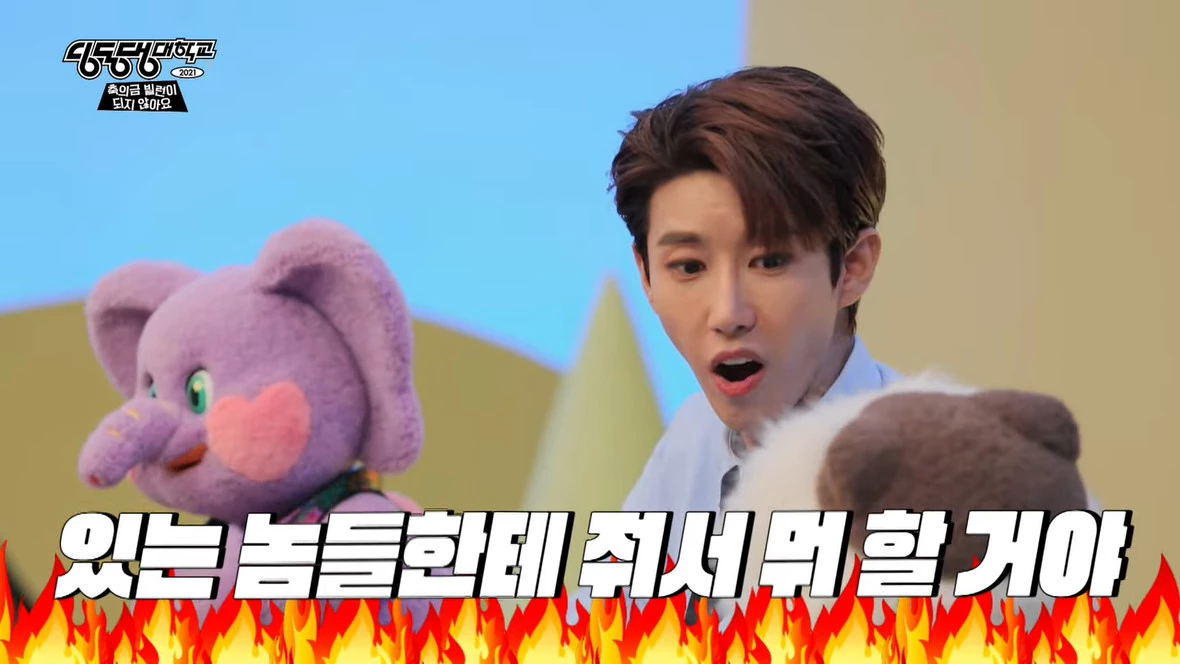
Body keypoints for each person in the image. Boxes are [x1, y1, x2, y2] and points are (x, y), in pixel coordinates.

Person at [568, 64, 900, 621]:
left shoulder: (942, 485)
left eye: (769, 262)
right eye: (688, 266)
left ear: (853, 267)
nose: (727, 314)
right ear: (645, 274)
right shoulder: (691, 441)